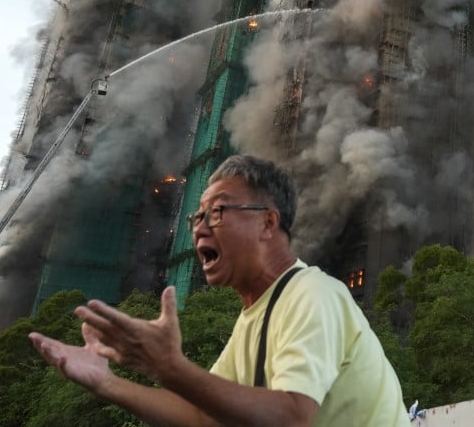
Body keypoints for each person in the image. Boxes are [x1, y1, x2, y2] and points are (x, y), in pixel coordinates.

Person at [30, 155, 411, 426]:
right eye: (197, 216)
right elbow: (203, 416)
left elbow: (292, 416)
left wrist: (169, 367)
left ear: (268, 223)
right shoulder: (254, 317)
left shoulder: (312, 292)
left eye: (217, 212)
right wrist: (107, 383)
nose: (199, 228)